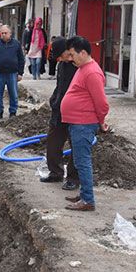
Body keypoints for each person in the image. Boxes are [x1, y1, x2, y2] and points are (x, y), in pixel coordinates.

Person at [61, 36, 110, 211]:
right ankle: (84, 195)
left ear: (83, 52)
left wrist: (102, 121)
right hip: (77, 123)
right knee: (79, 161)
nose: (70, 58)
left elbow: (102, 103)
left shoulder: (92, 72)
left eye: (72, 54)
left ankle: (88, 200)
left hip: (83, 123)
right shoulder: (83, 68)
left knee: (82, 161)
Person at [41, 37, 79, 191]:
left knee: (76, 146)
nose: (60, 59)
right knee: (53, 142)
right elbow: (60, 86)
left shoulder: (78, 66)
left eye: (60, 55)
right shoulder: (62, 65)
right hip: (59, 111)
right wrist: (54, 100)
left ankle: (73, 178)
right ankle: (55, 172)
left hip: (75, 113)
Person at [0, 25, 25, 119]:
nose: (3, 35)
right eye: (2, 33)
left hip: (12, 74)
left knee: (14, 94)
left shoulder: (16, 44)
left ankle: (13, 112)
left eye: (5, 33)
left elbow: (21, 59)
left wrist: (20, 73)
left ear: (10, 33)